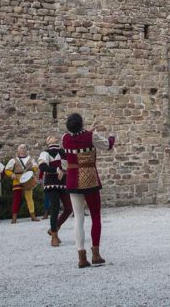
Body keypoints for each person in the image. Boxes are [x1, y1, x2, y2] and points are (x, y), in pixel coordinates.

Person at [62, 113, 115, 268]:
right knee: (96, 216)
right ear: (81, 124)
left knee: (78, 218)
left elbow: (66, 161)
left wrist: (90, 133)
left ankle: (81, 257)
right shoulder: (91, 136)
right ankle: (96, 254)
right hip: (89, 179)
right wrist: (111, 136)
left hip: (72, 179)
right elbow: (107, 145)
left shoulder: (65, 138)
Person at [38, 135, 73, 247]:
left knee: (68, 208)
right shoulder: (46, 153)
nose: (53, 137)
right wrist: (56, 169)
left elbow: (69, 164)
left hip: (63, 183)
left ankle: (55, 227)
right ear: (47, 141)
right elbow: (42, 167)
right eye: (49, 137)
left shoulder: (63, 152)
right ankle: (54, 236)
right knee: (55, 208)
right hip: (51, 184)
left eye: (53, 137)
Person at [5, 144, 39, 223]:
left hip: (28, 180)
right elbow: (7, 170)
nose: (23, 149)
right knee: (16, 199)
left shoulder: (31, 159)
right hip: (17, 180)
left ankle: (33, 216)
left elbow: (36, 167)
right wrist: (11, 174)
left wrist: (32, 168)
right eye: (21, 148)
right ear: (18, 150)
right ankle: (14, 218)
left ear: (27, 150)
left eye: (24, 148)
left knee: (29, 198)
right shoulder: (13, 160)